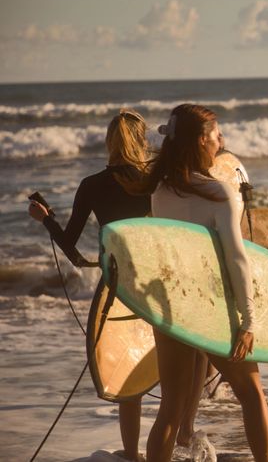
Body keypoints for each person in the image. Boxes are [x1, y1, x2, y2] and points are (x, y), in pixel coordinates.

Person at [141, 103, 268, 462]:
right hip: (213, 307)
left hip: (172, 308)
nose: (222, 140)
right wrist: (248, 321)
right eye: (217, 135)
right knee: (252, 395)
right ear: (202, 140)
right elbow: (235, 259)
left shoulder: (161, 190)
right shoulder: (218, 194)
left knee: (169, 410)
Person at [27, 109, 152, 461]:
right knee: (174, 367)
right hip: (162, 286)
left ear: (109, 142)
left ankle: (132, 453)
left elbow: (75, 254)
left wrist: (46, 220)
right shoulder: (157, 181)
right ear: (142, 141)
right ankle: (177, 440)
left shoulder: (92, 185)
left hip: (121, 290)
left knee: (131, 372)